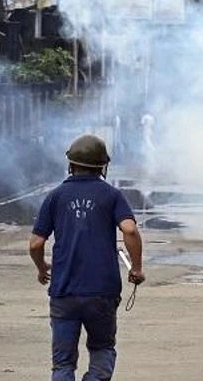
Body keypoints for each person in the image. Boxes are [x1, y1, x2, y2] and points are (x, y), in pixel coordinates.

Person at [28, 134, 145, 381]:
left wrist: (41, 268)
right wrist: (136, 268)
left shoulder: (55, 196)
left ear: (71, 163)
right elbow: (130, 229)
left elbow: (36, 243)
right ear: (103, 166)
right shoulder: (112, 195)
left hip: (64, 290)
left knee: (62, 364)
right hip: (102, 291)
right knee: (102, 349)